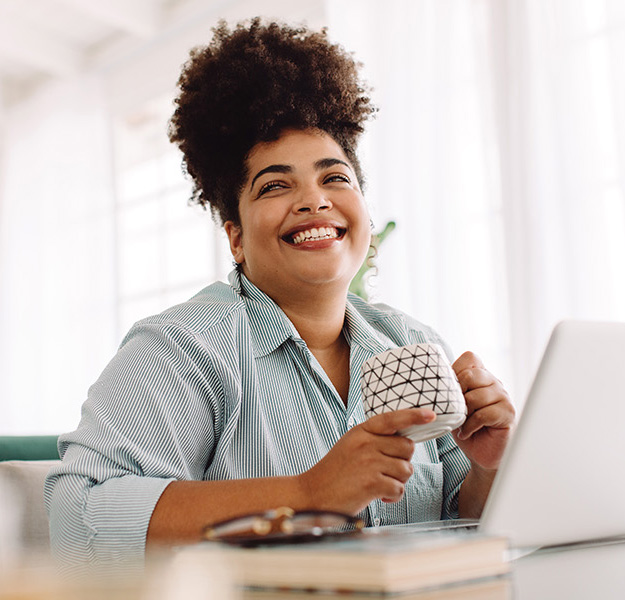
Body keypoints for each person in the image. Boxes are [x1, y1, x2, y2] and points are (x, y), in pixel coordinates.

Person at [45, 18, 515, 567]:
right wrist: (306, 496)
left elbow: (465, 519)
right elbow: (78, 521)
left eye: (334, 178)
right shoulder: (181, 350)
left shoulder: (411, 343)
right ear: (236, 237)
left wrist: (490, 467)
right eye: (274, 185)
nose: (314, 201)